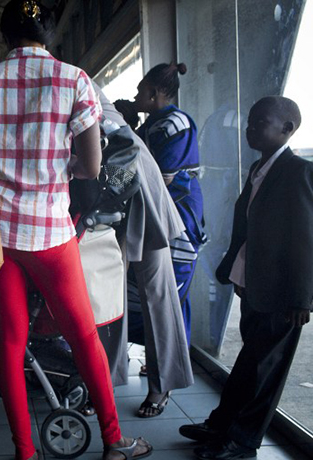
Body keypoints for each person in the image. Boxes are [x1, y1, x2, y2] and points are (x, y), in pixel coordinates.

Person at [0, 2, 152, 459]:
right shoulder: (74, 79)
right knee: (84, 335)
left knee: (9, 340)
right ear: (48, 33)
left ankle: (25, 452)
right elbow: (91, 166)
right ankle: (113, 441)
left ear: (4, 35)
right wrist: (54, 166)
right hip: (50, 233)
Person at [180, 96, 313, 460]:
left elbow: (304, 241)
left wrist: (303, 298)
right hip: (255, 284)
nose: (249, 129)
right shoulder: (260, 168)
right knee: (247, 364)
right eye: (249, 122)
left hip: (284, 293)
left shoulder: (297, 172)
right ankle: (222, 425)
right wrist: (236, 274)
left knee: (264, 372)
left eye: (260, 123)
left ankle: (243, 441)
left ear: (286, 129)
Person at [101, 90, 194, 417]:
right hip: (112, 209)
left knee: (158, 298)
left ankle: (161, 385)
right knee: (107, 298)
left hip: (143, 204)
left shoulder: (83, 97)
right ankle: (106, 382)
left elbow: (118, 159)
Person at [133, 63, 206, 348]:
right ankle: (169, 357)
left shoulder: (175, 123)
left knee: (173, 296)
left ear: (153, 93)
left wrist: (110, 174)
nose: (135, 95)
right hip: (161, 219)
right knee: (165, 295)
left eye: (140, 91)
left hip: (179, 222)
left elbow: (156, 175)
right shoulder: (150, 125)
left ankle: (172, 361)